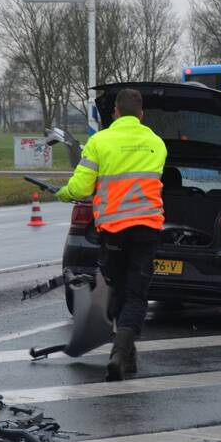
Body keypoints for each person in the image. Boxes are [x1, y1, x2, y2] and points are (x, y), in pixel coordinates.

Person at [56, 88, 168, 381]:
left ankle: (120, 352)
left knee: (115, 289)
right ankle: (124, 354)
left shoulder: (99, 141)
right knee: (137, 293)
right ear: (141, 114)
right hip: (146, 230)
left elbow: (80, 189)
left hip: (114, 232)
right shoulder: (157, 143)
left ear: (115, 112)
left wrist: (64, 193)